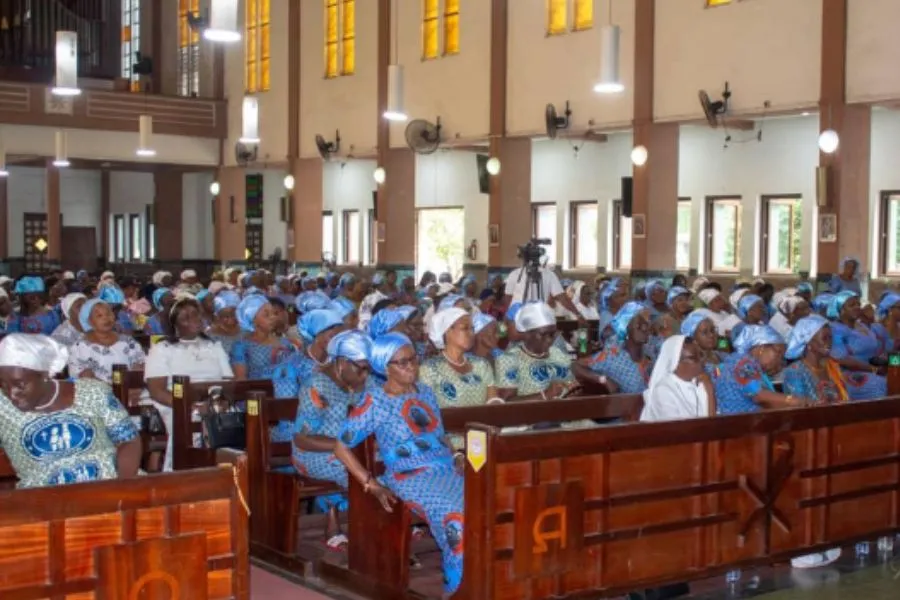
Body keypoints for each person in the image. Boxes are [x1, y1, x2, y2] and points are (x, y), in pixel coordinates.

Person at [332, 332, 464, 595]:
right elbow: (341, 446)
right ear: (384, 367)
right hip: (410, 477)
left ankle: (485, 582)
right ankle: (458, 591)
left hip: (446, 469)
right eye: (402, 363)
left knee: (487, 505)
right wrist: (371, 484)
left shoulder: (425, 392)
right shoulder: (376, 401)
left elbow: (440, 435)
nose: (411, 367)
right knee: (457, 519)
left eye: (413, 359)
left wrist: (458, 456)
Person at [0, 334, 141, 488]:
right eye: (3, 385)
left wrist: (120, 488)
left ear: (44, 374)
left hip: (109, 489)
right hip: (41, 504)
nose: (12, 393)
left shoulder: (92, 392)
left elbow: (129, 441)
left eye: (20, 384)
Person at [292, 330, 373, 551]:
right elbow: (302, 439)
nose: (365, 375)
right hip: (314, 453)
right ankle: (377, 533)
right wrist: (342, 448)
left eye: (368, 368)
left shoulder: (362, 383)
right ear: (343, 362)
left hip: (354, 449)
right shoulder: (316, 385)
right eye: (361, 368)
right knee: (355, 468)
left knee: (392, 462)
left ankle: (390, 529)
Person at [144, 297, 233, 472]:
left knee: (234, 418)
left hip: (214, 402)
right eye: (186, 317)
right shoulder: (163, 349)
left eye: (196, 314)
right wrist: (190, 406)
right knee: (192, 419)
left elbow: (228, 382)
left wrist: (215, 403)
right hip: (175, 404)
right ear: (174, 324)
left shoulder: (214, 345)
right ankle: (183, 472)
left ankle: (225, 474)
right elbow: (157, 390)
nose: (194, 319)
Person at [714, 325, 812, 414]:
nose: (780, 361)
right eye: (778, 353)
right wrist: (795, 400)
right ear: (762, 347)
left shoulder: (747, 364)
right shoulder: (744, 363)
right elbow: (759, 395)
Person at [494, 303, 578, 402]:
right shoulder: (509, 359)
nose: (549, 340)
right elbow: (507, 402)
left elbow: (572, 386)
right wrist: (545, 395)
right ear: (526, 334)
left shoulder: (557, 353)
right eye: (543, 334)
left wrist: (574, 391)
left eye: (552, 334)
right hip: (532, 416)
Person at [421, 307, 498, 409]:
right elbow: (428, 409)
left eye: (472, 329)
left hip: (482, 424)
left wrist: (495, 404)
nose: (471, 333)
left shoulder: (481, 364)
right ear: (447, 331)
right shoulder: (430, 369)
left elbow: (492, 399)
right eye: (465, 328)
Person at [576, 302, 654, 394]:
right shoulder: (613, 356)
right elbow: (576, 365)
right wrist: (603, 379)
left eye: (647, 323)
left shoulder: (652, 356)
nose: (645, 328)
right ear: (625, 328)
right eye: (638, 325)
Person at [825, 291, 887, 400]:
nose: (857, 307)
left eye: (858, 304)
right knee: (881, 384)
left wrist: (893, 362)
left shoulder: (862, 326)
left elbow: (876, 353)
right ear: (841, 309)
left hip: (874, 367)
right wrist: (874, 370)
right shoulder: (835, 329)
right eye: (852, 305)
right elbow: (843, 360)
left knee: (896, 373)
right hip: (847, 374)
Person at [68, 299, 146, 383]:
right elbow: (84, 379)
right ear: (89, 321)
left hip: (130, 391)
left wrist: (132, 387)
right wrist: (112, 391)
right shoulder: (79, 348)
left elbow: (140, 366)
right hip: (97, 393)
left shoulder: (128, 342)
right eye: (99, 316)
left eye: (108, 314)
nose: (106, 318)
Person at [640, 335, 713, 421]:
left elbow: (713, 425)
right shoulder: (663, 391)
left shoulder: (701, 382)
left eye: (700, 356)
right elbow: (677, 430)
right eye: (693, 358)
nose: (701, 361)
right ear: (675, 362)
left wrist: (709, 389)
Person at [502, 264, 583, 321]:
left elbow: (562, 297)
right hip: (518, 317)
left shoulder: (548, 274)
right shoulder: (515, 274)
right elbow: (508, 299)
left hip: (539, 318)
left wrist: (578, 315)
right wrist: (508, 316)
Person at [207, 289, 242, 354]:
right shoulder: (210, 337)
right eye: (225, 316)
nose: (230, 319)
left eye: (233, 314)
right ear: (218, 317)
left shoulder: (245, 332)